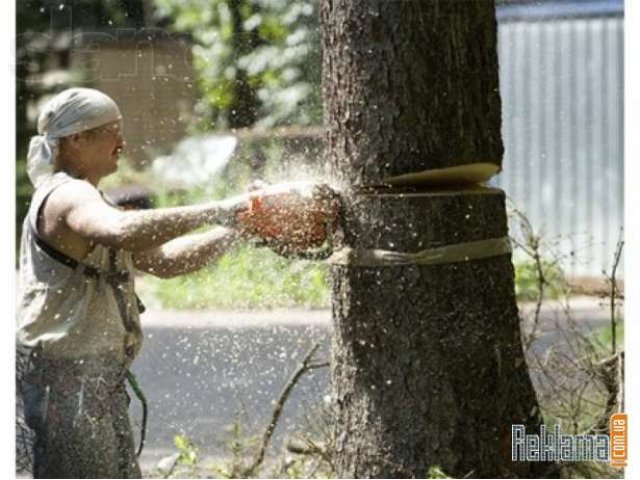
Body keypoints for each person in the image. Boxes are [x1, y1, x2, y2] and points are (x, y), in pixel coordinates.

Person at [16, 87, 257, 478]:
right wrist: (220, 210)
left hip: (94, 383)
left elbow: (165, 262)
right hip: (67, 383)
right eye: (113, 131)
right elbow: (124, 230)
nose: (122, 143)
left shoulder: (91, 199)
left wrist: (240, 230)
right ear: (77, 139)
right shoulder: (66, 195)